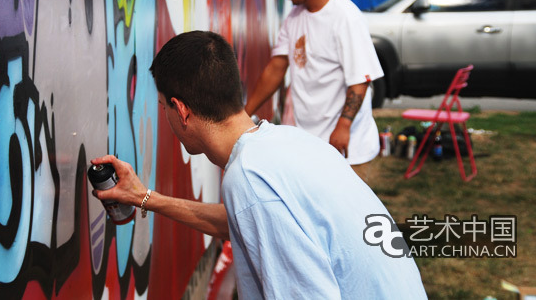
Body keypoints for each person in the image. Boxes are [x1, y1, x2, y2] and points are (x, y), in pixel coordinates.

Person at [92, 31, 426, 299]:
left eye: (164, 106)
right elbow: (239, 221)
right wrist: (143, 196)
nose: (165, 114)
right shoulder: (287, 142)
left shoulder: (249, 179)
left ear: (181, 110)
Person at [245, 0, 384, 181]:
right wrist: (243, 114)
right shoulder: (294, 18)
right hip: (309, 147)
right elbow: (276, 69)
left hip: (347, 149)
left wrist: (343, 127)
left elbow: (361, 80)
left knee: (345, 217)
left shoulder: (345, 17)